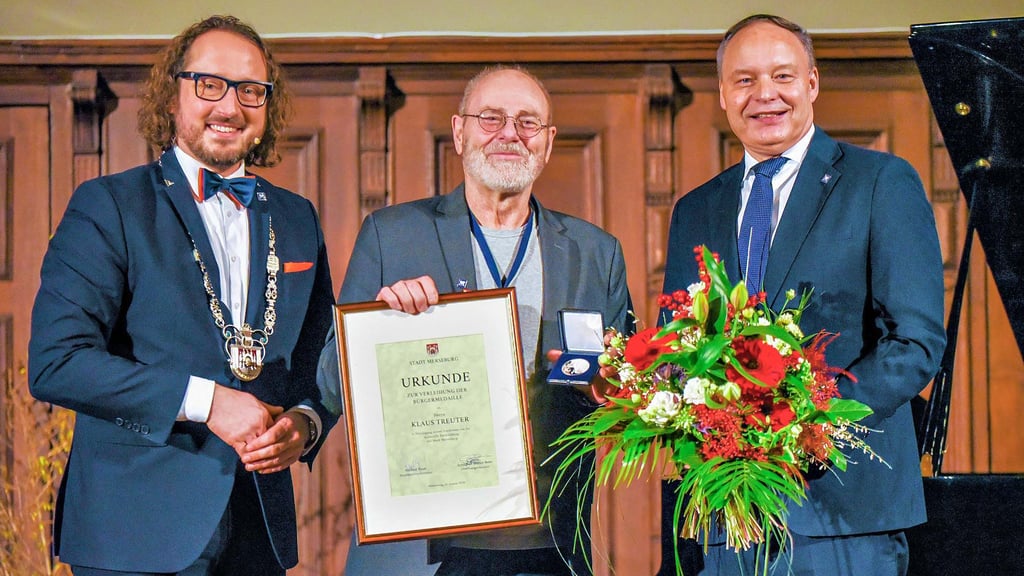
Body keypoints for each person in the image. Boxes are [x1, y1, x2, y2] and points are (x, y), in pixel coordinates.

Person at [28, 15, 337, 576]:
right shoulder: (108, 206)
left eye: (251, 90)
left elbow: (320, 355)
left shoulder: (297, 217)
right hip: (132, 529)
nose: (230, 106)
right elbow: (57, 364)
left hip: (259, 529)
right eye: (209, 83)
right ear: (172, 96)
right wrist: (210, 402)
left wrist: (306, 422)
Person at [658, 14, 946, 576]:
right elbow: (680, 344)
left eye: (782, 76)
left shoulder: (879, 182)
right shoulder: (696, 209)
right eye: (744, 80)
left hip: (845, 512)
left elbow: (914, 341)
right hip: (729, 514)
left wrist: (808, 415)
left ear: (812, 83)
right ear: (722, 94)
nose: (765, 94)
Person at [324, 65, 631, 576]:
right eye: (490, 118)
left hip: (549, 546)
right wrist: (382, 327)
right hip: (421, 546)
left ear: (549, 143)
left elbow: (631, 390)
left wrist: (611, 386)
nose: (509, 133)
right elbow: (331, 380)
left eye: (527, 122)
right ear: (459, 131)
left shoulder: (596, 252)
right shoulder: (391, 234)